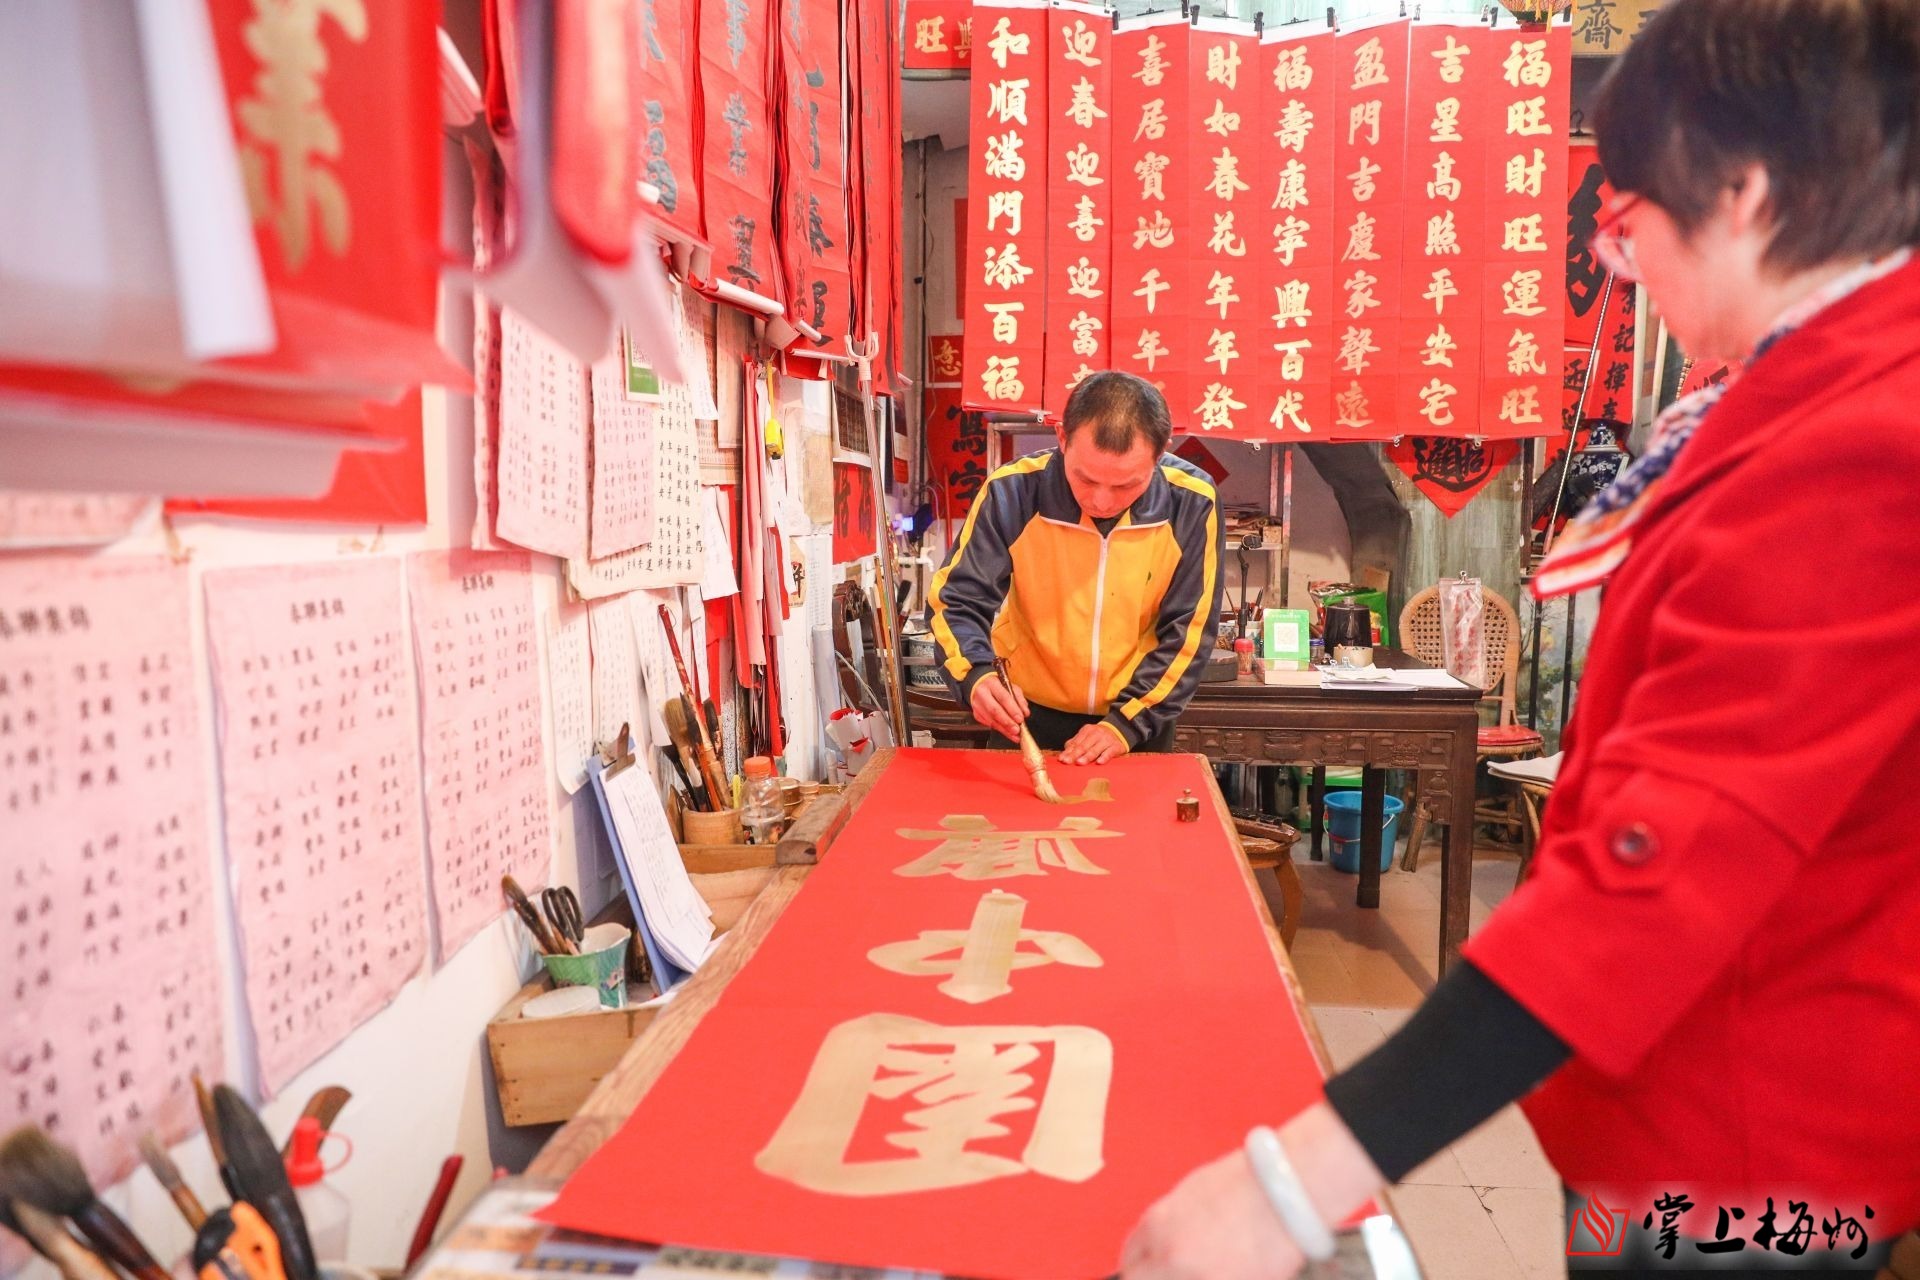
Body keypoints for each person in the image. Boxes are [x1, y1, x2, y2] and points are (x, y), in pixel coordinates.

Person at [1120, 0, 1920, 1273]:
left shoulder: (1864, 443)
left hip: (1745, 1157)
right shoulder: (1788, 396)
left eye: (1630, 210)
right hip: (1672, 1107)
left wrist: (1290, 1180)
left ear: (1750, 188)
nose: (1613, 257)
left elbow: (1655, 881)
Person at [928, 371, 1223, 763]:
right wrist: (975, 675)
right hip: (1027, 714)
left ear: (1160, 452)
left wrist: (1127, 725)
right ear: (1062, 439)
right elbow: (957, 600)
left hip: (1137, 721)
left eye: (1126, 486)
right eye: (1085, 479)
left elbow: (1189, 629)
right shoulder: (1012, 492)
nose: (1101, 501)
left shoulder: (1191, 501)